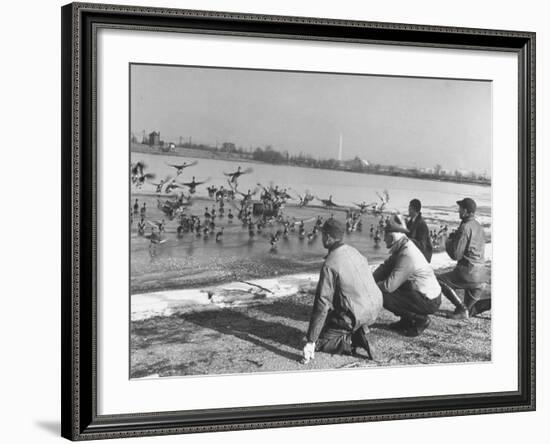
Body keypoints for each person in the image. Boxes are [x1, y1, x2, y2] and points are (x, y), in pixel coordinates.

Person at [303, 219, 382, 363]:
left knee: (320, 341)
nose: (321, 238)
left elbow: (322, 303)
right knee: (327, 323)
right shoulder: (355, 251)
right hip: (375, 308)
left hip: (357, 314)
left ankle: (353, 339)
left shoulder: (330, 264)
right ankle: (359, 329)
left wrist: (311, 340)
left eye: (322, 235)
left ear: (327, 237)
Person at [373, 214, 442, 337]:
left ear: (393, 237)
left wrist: (372, 287)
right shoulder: (404, 246)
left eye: (386, 236)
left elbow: (389, 286)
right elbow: (385, 267)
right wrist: (370, 279)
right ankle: (406, 321)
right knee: (392, 282)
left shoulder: (406, 255)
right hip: (428, 295)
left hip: (429, 300)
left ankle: (420, 319)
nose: (383, 240)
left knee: (384, 295)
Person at [438, 198, 489, 319]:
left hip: (468, 273)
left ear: (465, 211)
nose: (458, 211)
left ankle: (461, 308)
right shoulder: (479, 227)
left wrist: (448, 242)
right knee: (470, 311)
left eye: (460, 209)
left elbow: (456, 255)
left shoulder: (465, 227)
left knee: (439, 280)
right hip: (482, 276)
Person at [406, 198, 433, 262]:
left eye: (409, 207)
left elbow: (422, 246)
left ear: (413, 209)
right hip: (415, 253)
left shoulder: (421, 224)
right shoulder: (411, 222)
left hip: (423, 257)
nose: (408, 210)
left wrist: (407, 239)